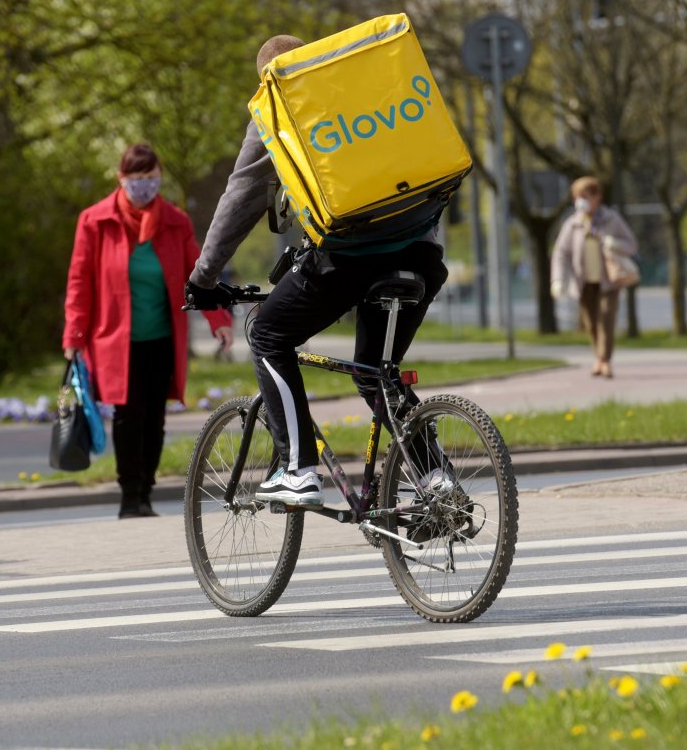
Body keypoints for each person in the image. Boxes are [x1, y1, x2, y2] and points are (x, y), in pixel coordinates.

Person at [182, 35, 449, 508]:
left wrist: (203, 278)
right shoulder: (365, 91)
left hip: (351, 257)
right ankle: (437, 481)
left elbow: (242, 196)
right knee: (375, 372)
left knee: (267, 334)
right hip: (421, 257)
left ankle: (298, 470)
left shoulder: (278, 106)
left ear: (267, 77)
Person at [64, 143, 232, 518]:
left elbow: (199, 275)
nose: (144, 185)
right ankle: (129, 495)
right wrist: (74, 336)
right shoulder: (95, 221)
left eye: (151, 178)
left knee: (155, 417)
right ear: (121, 179)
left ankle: (146, 493)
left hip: (161, 339)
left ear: (160, 178)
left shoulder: (175, 222)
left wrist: (218, 319)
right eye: (137, 179)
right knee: (127, 415)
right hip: (115, 341)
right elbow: (79, 282)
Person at [550, 176, 638, 379]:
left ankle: (604, 361)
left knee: (606, 319)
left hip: (609, 280)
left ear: (597, 197)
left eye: (585, 196)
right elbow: (561, 253)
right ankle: (599, 357)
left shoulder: (611, 219)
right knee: (590, 323)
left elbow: (631, 245)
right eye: (577, 197)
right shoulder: (572, 224)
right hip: (583, 282)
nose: (580, 201)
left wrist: (615, 243)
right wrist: (557, 280)